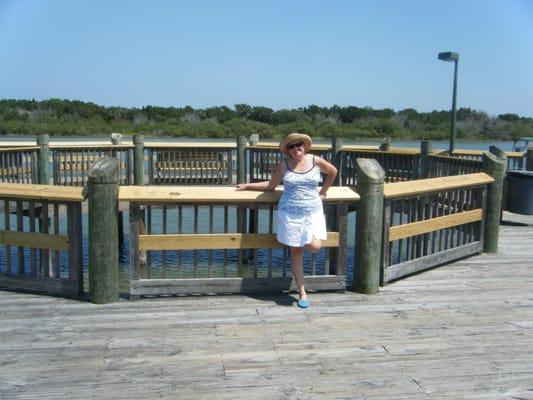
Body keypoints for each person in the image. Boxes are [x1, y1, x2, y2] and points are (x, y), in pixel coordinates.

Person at [236, 133, 337, 309]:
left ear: (305, 146)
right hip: (290, 213)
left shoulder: (315, 160)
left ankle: (301, 288)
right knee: (296, 253)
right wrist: (247, 186)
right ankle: (302, 293)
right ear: (288, 151)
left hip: (312, 212)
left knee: (315, 246)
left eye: (299, 145)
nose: (296, 148)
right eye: (291, 146)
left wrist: (323, 192)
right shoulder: (284, 165)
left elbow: (333, 171)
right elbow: (271, 186)